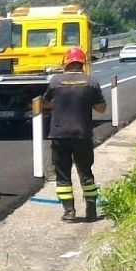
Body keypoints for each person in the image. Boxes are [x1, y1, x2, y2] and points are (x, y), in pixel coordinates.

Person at [42, 46, 107, 222]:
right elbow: (101, 109)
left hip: (60, 135)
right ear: (82, 64)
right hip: (82, 134)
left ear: (66, 63)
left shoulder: (55, 82)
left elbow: (45, 104)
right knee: (86, 172)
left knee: (62, 173)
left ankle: (69, 212)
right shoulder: (91, 82)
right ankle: (91, 211)